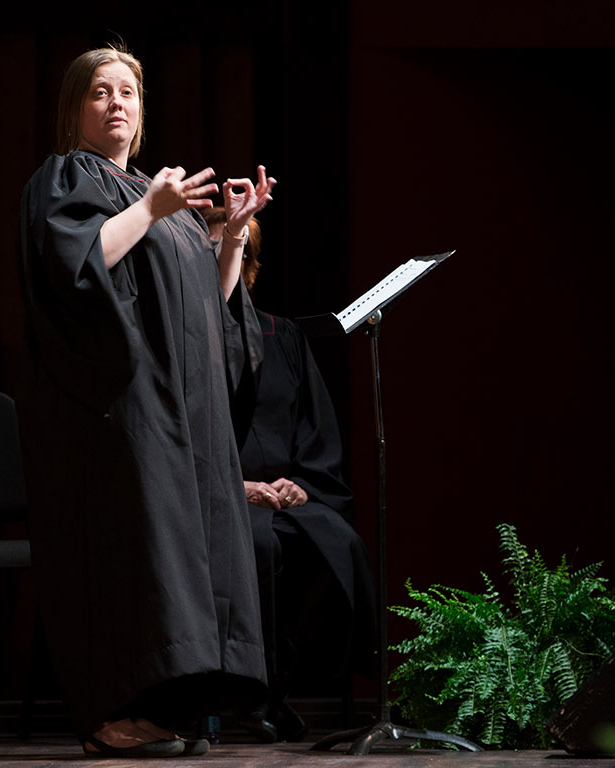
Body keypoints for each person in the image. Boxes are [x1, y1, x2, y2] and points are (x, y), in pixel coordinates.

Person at [17, 46, 276, 757]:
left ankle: (162, 710)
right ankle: (110, 713)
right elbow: (77, 264)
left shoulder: (160, 195)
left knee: (178, 562)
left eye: (127, 90)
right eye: (98, 92)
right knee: (133, 556)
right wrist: (157, 210)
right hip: (115, 414)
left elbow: (207, 312)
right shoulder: (68, 176)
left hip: (179, 413)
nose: (116, 103)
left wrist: (224, 240)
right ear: (75, 109)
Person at [201, 208, 377, 742]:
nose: (224, 258)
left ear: (249, 262)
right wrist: (238, 488)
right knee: (262, 547)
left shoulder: (284, 336)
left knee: (337, 540)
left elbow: (314, 428)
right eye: (211, 249)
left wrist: (303, 481)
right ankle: (244, 697)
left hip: (282, 496)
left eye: (234, 249)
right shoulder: (189, 341)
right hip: (219, 497)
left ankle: (284, 689)